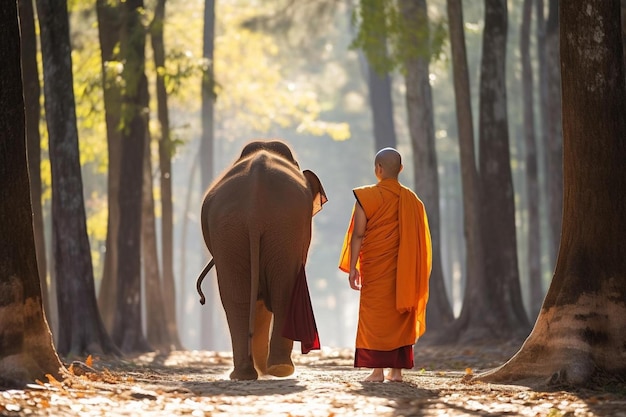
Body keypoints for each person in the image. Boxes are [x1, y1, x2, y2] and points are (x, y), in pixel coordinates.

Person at [338, 147, 432, 382]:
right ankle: (396, 372)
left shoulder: (366, 197)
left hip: (376, 270)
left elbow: (358, 235)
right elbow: (419, 243)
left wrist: (352, 268)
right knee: (400, 315)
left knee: (374, 317)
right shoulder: (413, 201)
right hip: (403, 273)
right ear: (400, 169)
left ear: (377, 169)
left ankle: (377, 371)